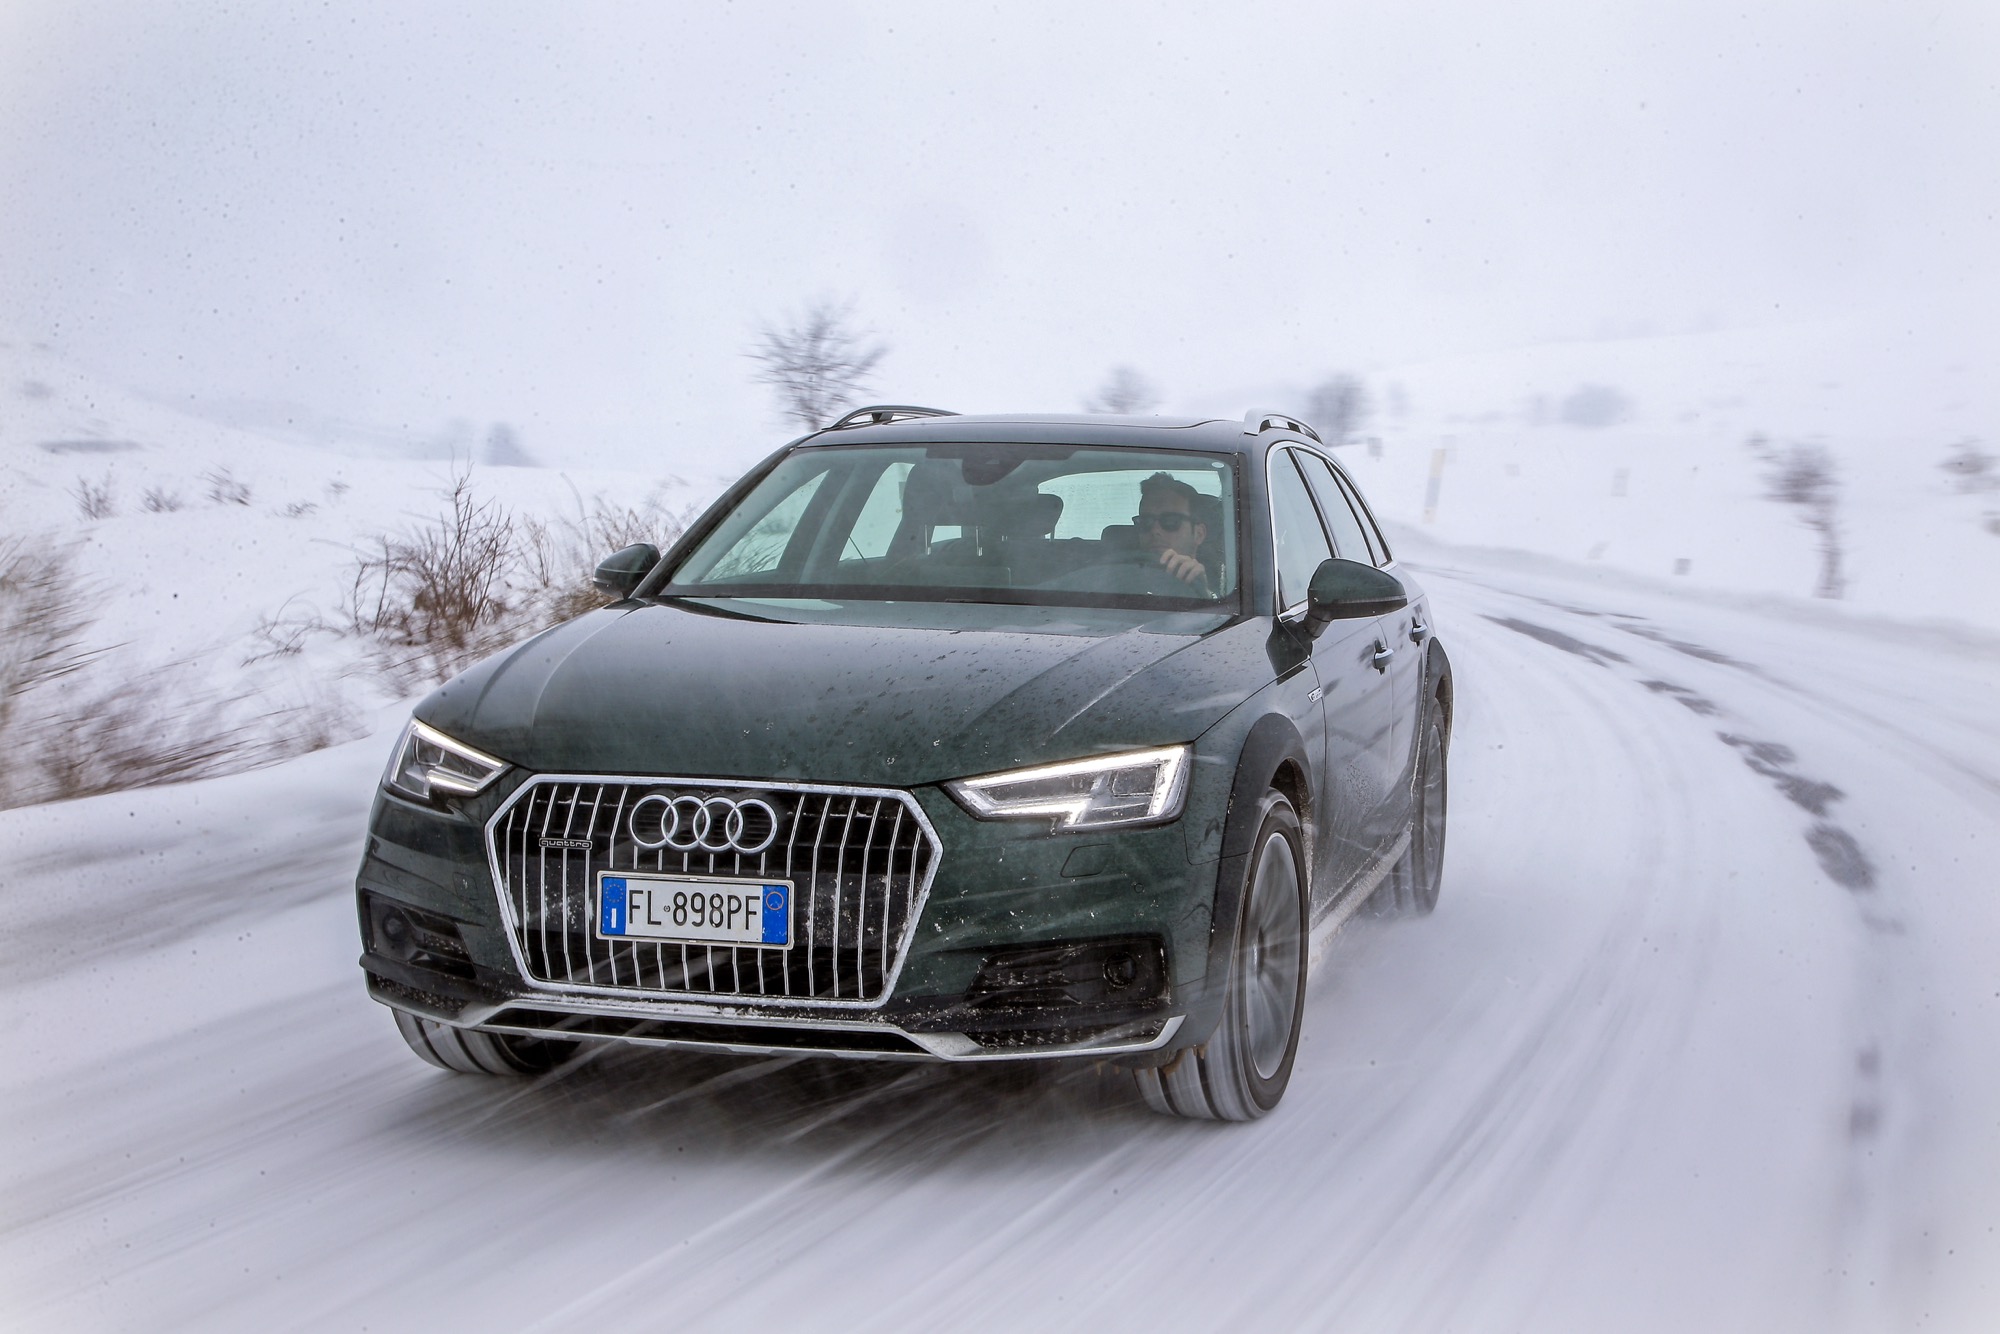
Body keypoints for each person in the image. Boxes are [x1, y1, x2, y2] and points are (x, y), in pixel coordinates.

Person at [1134, 472, 1210, 588]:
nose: (1155, 530)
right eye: (1146, 521)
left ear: (1199, 534)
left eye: (1170, 521)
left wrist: (1202, 590)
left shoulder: (1225, 587)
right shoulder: (1114, 578)